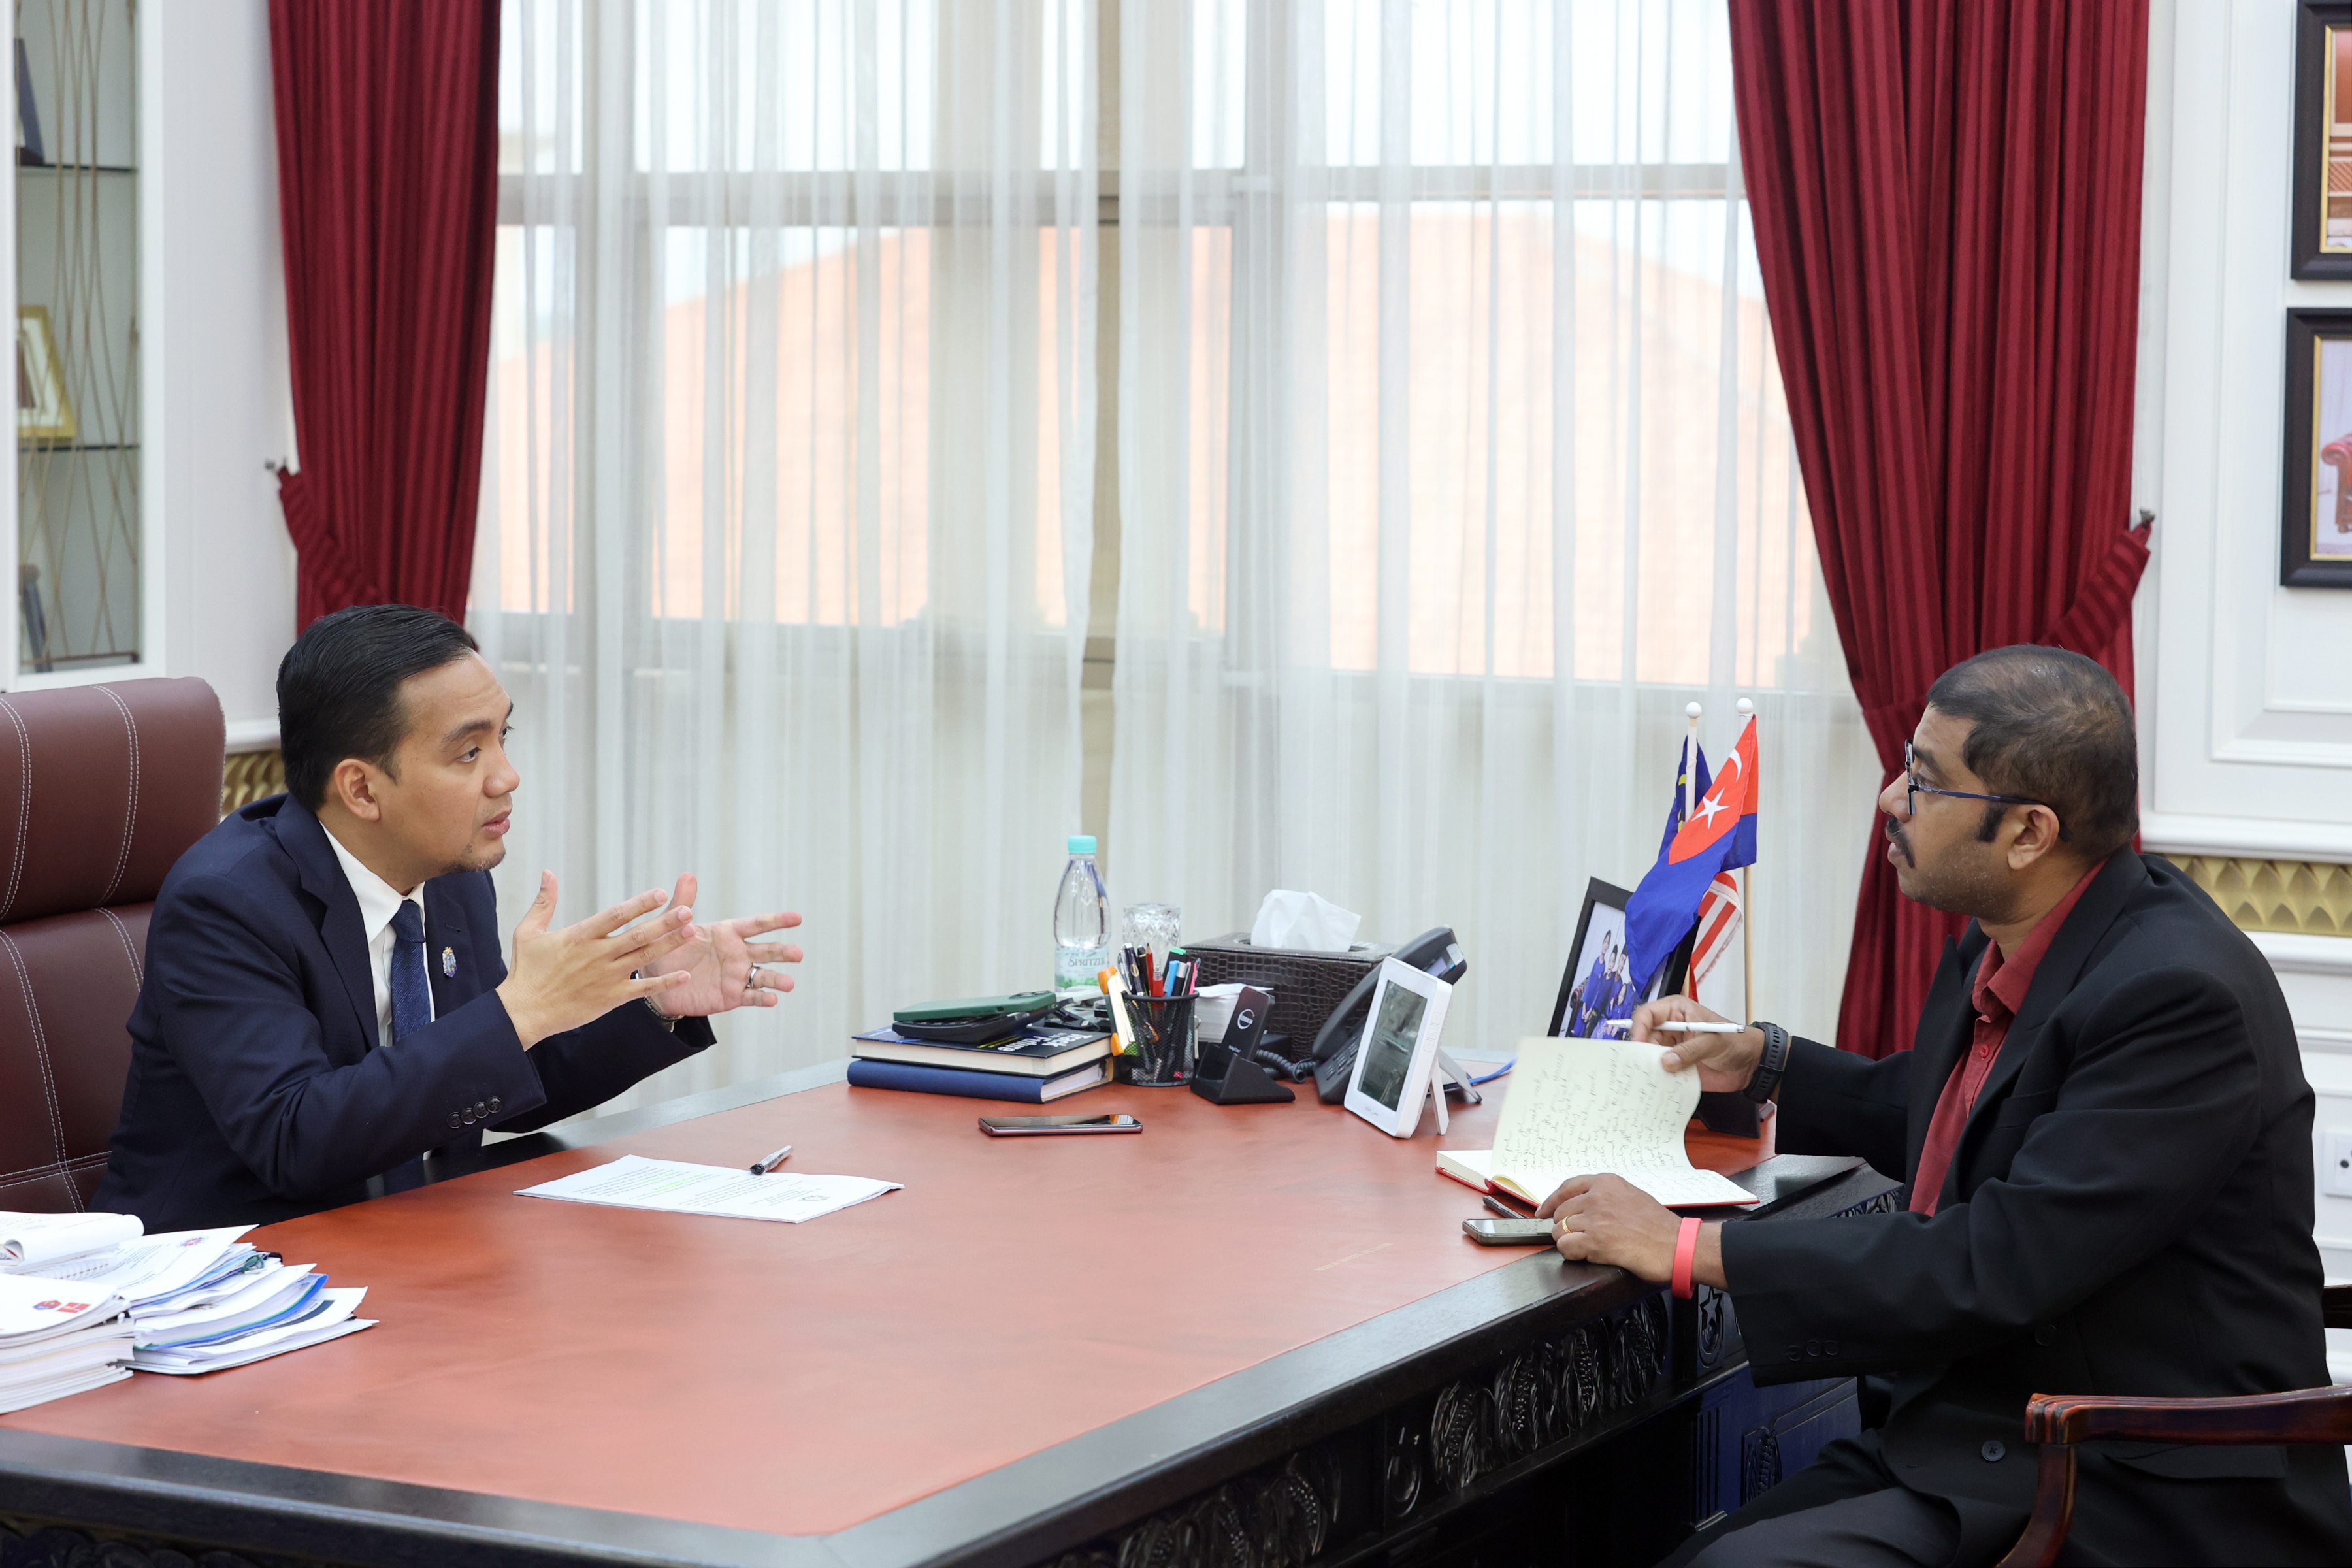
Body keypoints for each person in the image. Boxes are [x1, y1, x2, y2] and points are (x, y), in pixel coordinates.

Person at [1535, 645, 2352, 1567]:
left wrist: (1683, 1246)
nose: (1891, 800)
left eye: (1923, 781)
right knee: (1677, 1547)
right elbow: (1963, 1120)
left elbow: (1995, 1259)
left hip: (2135, 1479)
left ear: (2029, 833)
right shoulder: (2012, 932)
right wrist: (1765, 1062)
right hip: (1986, 1434)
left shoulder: (2176, 998)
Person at [95, 605, 803, 1231]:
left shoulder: (451, 876)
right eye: (469, 751)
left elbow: (494, 1081)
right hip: (224, 1274)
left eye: (503, 736)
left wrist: (650, 998)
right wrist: (520, 1011)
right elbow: (295, 1136)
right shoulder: (226, 904)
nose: (507, 776)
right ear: (361, 789)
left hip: (404, 1242)